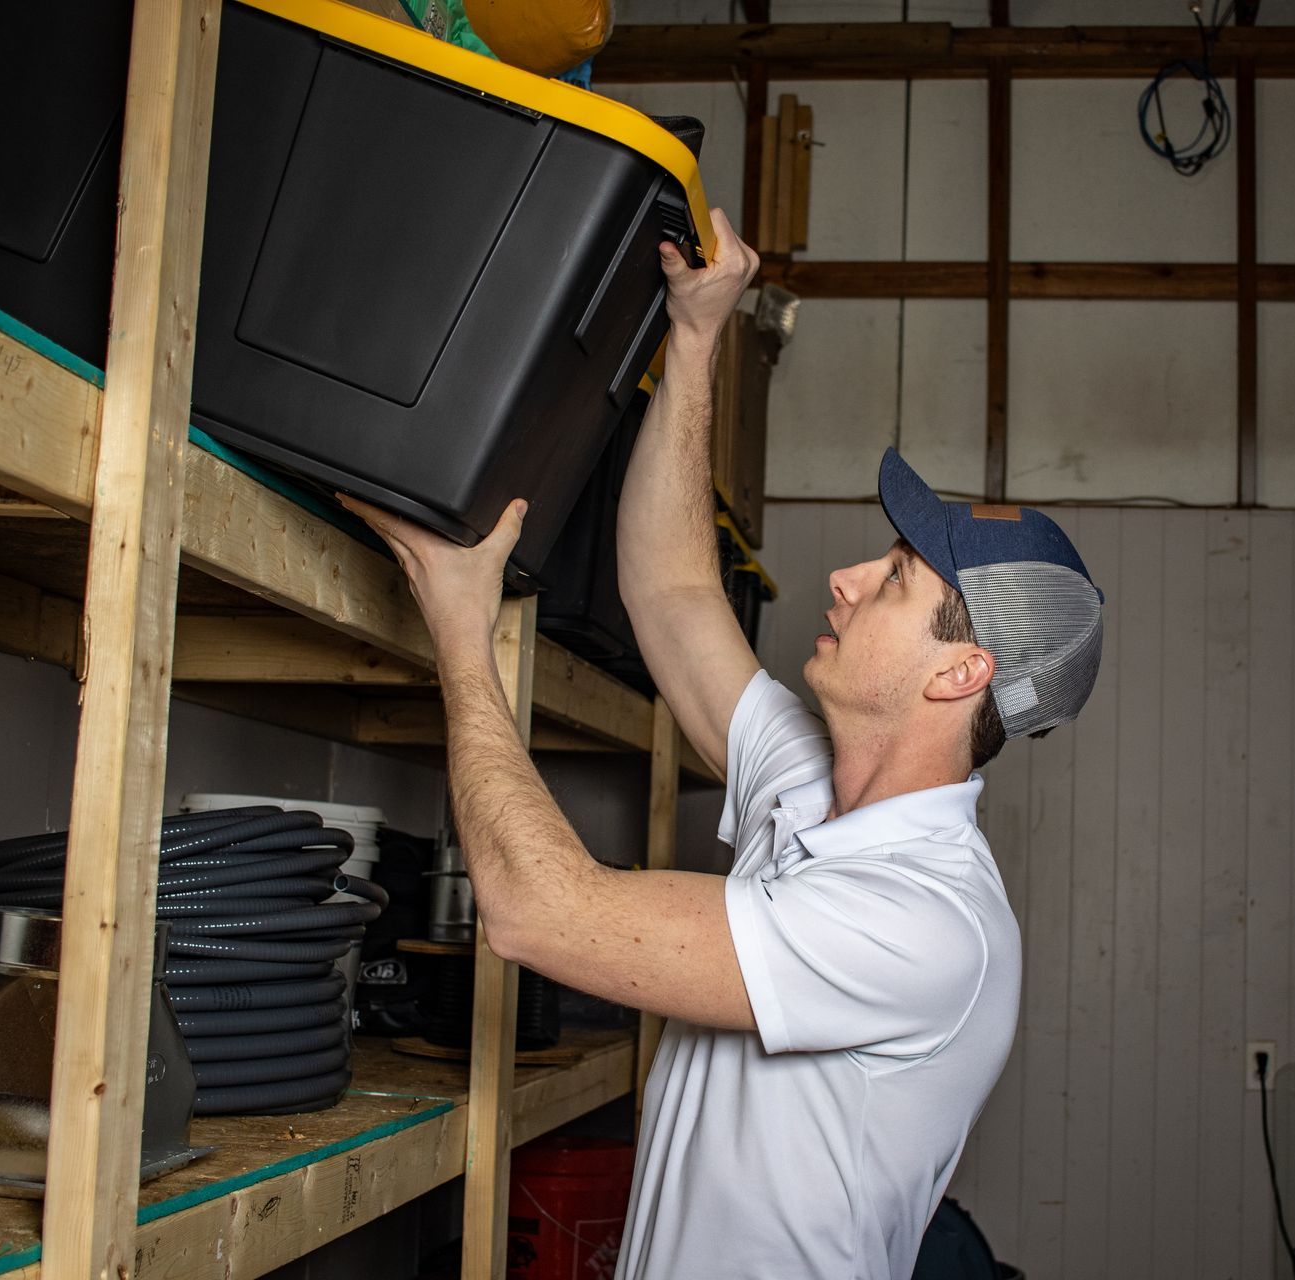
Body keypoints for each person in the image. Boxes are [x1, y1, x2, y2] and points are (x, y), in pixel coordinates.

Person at [341, 208, 1104, 1280]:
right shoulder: (813, 779)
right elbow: (673, 590)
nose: (842, 578)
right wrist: (698, 336)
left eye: (891, 582)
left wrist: (462, 638)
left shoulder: (929, 925)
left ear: (959, 672)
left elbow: (535, 911)